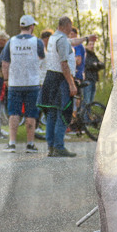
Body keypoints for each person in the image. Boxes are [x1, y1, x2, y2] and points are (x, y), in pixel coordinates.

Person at [0, 15, 45, 153]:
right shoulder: (37, 42)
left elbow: (5, 63)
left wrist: (6, 80)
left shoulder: (11, 42)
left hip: (15, 83)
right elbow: (43, 59)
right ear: (31, 27)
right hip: (32, 83)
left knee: (14, 113)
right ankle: (30, 144)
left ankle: (12, 143)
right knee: (31, 114)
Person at [38, 16, 81, 158]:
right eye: (70, 26)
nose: (71, 29)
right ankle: (59, 146)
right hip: (60, 79)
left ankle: (51, 146)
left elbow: (72, 42)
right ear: (66, 25)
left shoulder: (53, 38)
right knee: (63, 113)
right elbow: (64, 64)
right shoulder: (62, 40)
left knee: (52, 114)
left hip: (50, 77)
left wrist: (86, 38)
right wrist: (71, 84)